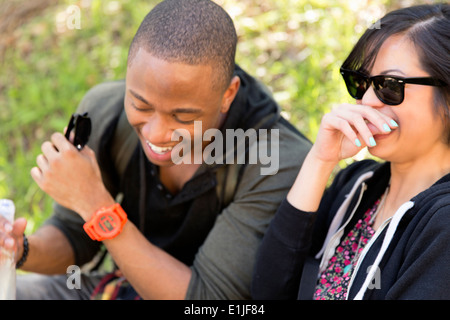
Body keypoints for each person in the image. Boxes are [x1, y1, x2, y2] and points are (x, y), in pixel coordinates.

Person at [0, 0, 311, 299]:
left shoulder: (276, 162)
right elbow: (74, 235)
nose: (156, 134)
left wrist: (97, 206)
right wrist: (19, 248)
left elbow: (207, 298)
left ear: (228, 95)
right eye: (140, 105)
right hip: (124, 287)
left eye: (183, 116)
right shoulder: (106, 113)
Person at [252, 3, 450, 300]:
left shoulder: (443, 222)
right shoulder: (357, 184)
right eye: (361, 82)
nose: (368, 100)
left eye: (389, 85)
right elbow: (266, 292)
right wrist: (320, 161)